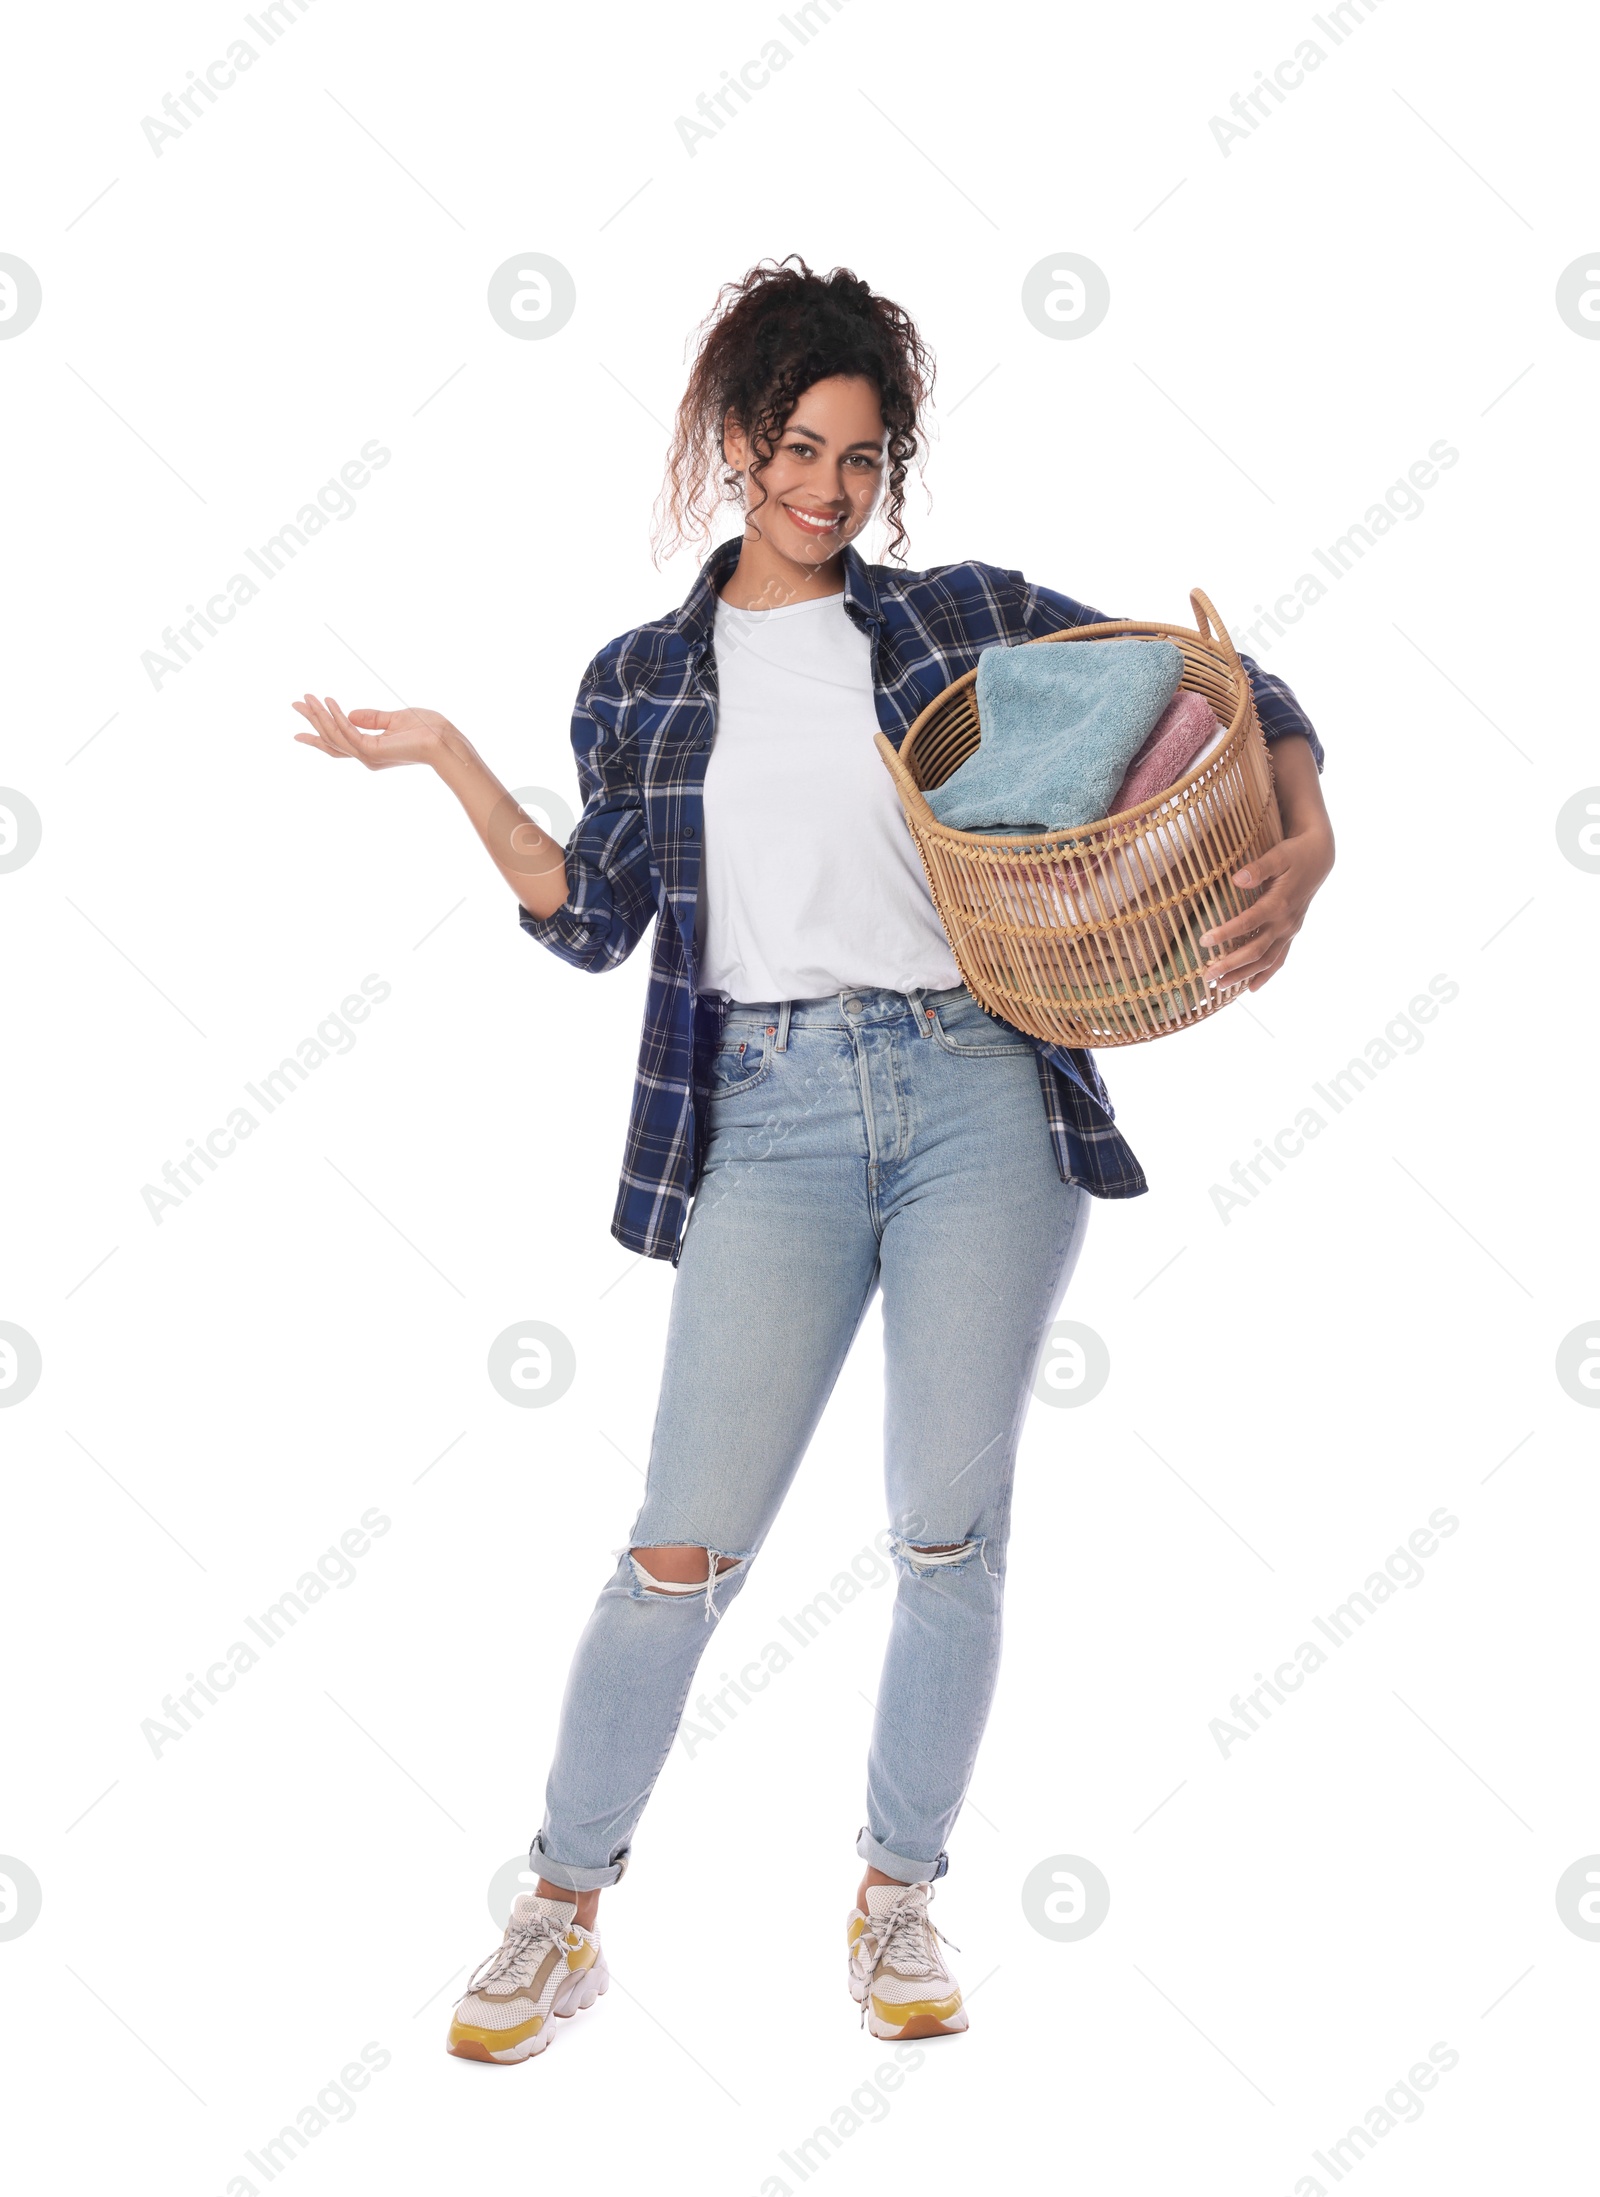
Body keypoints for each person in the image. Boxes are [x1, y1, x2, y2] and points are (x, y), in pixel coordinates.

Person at [292, 257, 1334, 2061]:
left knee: (951, 1529)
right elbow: (596, 916)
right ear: (731, 442)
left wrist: (1306, 846)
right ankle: (560, 1905)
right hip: (762, 1118)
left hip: (977, 1098)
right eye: (796, 449)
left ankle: (898, 1890)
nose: (828, 491)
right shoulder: (636, 682)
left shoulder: (955, 621)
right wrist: (459, 764)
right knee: (678, 1552)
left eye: (861, 459)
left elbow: (1227, 683)